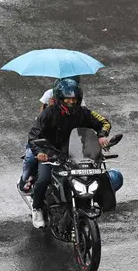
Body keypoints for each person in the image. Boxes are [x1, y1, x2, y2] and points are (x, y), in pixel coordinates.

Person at [27, 78, 112, 228]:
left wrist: (101, 135)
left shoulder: (83, 112)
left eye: (74, 99)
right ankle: (37, 208)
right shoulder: (49, 113)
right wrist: (40, 152)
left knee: (94, 175)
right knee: (43, 180)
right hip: (51, 154)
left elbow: (104, 123)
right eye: (68, 99)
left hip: (75, 153)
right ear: (60, 99)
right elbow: (34, 134)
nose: (71, 102)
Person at [18, 76, 87, 193]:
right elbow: (40, 119)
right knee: (30, 158)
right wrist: (50, 108)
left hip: (63, 138)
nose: (71, 101)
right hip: (44, 136)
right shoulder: (49, 94)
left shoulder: (77, 100)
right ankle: (26, 178)